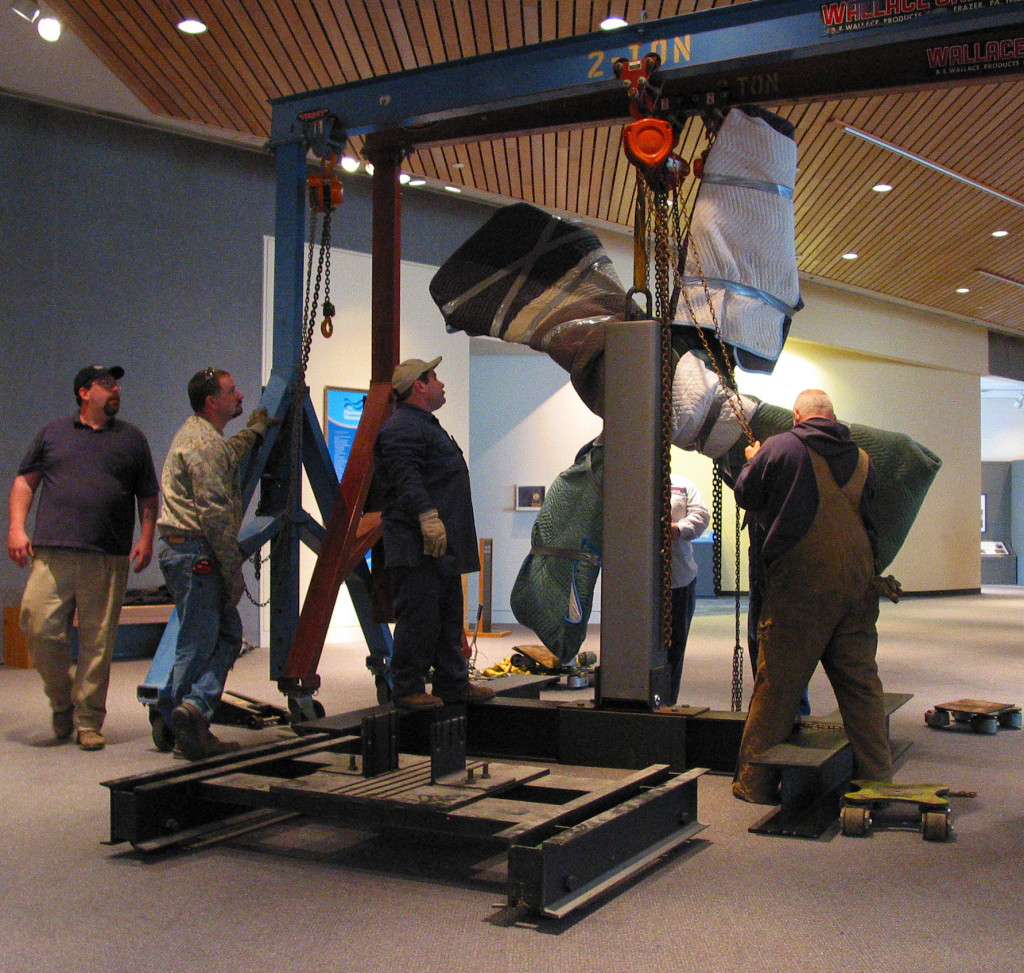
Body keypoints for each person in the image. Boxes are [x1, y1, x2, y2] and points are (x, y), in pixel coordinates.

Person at [731, 389, 893, 804]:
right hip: (858, 589)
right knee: (861, 689)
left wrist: (753, 460)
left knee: (777, 690)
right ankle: (876, 778)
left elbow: (746, 495)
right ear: (833, 417)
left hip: (799, 593)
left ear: (798, 416)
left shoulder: (780, 447)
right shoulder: (862, 460)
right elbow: (873, 523)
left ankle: (757, 785)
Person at [8, 365, 159, 751]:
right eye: (106, 384)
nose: (116, 389)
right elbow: (25, 481)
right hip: (52, 552)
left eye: (116, 383)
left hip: (106, 556)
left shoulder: (132, 439)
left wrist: (146, 538)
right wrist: (16, 528)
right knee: (37, 625)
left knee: (98, 643)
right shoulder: (52, 433)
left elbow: (147, 495)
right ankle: (62, 701)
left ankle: (89, 720)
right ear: (83, 392)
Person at [157, 368, 277, 760]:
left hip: (186, 551)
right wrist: (232, 571)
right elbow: (215, 515)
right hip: (198, 553)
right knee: (204, 642)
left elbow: (228, 455)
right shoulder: (204, 445)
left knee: (216, 637)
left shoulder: (204, 437)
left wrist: (253, 433)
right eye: (232, 391)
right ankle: (190, 720)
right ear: (212, 402)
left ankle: (181, 712)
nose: (240, 396)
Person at [373, 356, 494, 710]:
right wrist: (427, 516)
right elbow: (404, 476)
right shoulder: (402, 428)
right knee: (419, 617)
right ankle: (408, 687)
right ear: (418, 386)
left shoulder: (423, 424)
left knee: (446, 617)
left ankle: (452, 683)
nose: (441, 383)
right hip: (418, 546)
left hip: (439, 548)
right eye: (434, 377)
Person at [665, 473, 709, 706]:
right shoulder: (630, 488)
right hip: (640, 583)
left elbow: (700, 516)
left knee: (675, 646)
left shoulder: (683, 485)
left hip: (679, 579)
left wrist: (678, 529)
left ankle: (668, 702)